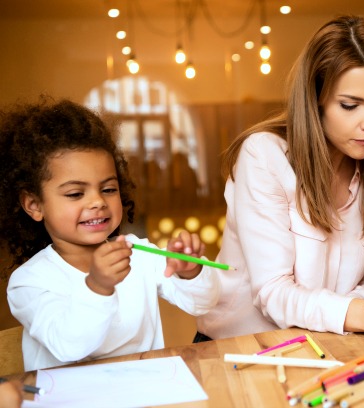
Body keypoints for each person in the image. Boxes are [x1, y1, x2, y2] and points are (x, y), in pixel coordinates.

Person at [195, 15, 364, 341]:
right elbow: (273, 292)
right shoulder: (264, 156)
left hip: (329, 342)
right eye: (350, 105)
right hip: (240, 346)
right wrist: (363, 313)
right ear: (315, 100)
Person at [0, 97, 220, 371]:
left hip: (148, 391)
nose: (97, 202)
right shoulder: (30, 282)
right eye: (75, 193)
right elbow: (68, 346)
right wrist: (97, 287)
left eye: (108, 189)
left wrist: (191, 273)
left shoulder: (138, 252)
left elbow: (204, 304)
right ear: (34, 205)